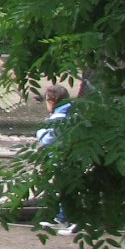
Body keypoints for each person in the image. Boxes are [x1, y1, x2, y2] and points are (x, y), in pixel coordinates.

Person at [36, 84, 77, 235]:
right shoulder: (71, 112)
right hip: (67, 157)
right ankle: (61, 219)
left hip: (65, 158)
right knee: (62, 188)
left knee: (66, 189)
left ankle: (70, 222)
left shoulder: (60, 117)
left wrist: (40, 131)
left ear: (52, 101)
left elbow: (47, 139)